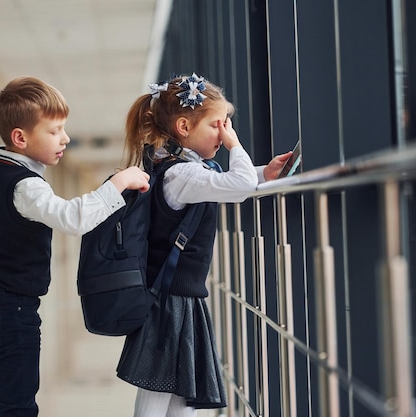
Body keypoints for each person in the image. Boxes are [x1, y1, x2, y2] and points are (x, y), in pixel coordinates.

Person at [0, 76, 150, 417]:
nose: (65, 138)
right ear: (20, 138)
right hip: (10, 310)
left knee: (11, 403)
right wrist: (119, 182)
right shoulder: (27, 185)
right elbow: (73, 219)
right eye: (55, 130)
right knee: (19, 408)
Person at [116, 73, 292, 417]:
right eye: (217, 125)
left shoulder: (180, 169)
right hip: (171, 302)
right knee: (158, 396)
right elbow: (234, 186)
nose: (223, 132)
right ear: (184, 126)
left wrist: (263, 174)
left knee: (180, 395)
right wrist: (235, 145)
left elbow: (225, 183)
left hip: (177, 299)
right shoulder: (180, 174)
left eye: (226, 126)